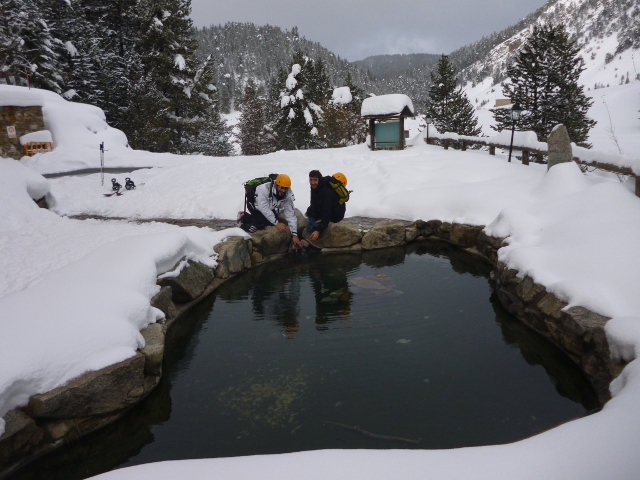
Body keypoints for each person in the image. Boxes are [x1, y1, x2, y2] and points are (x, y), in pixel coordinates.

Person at [240, 174, 304, 248]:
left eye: (286, 188)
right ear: (276, 185)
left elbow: (291, 215)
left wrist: (294, 234)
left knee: (271, 222)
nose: (283, 190)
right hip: (255, 205)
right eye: (282, 187)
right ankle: (243, 217)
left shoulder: (288, 195)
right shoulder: (264, 189)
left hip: (270, 206)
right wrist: (277, 223)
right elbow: (263, 208)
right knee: (259, 224)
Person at [305, 170, 347, 241]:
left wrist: (318, 230)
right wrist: (311, 218)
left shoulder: (326, 192)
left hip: (336, 214)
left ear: (319, 179)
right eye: (311, 180)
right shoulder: (315, 187)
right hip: (326, 208)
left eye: (315, 180)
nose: (312, 182)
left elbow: (326, 213)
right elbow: (313, 204)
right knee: (310, 211)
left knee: (317, 225)